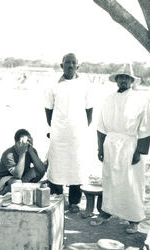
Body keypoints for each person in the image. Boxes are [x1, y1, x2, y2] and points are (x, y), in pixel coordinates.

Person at [91, 64, 150, 233]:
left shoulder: (140, 101)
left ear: (131, 81)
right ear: (116, 80)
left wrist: (139, 151)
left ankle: (134, 219)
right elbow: (101, 128)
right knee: (110, 180)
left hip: (130, 145)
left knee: (131, 183)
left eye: (127, 78)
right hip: (111, 144)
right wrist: (100, 148)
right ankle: (106, 212)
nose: (123, 80)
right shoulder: (108, 100)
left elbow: (147, 128)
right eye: (121, 77)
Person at [44, 53, 93, 213]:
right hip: (58, 134)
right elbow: (48, 110)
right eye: (67, 63)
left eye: (73, 63)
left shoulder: (85, 85)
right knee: (57, 165)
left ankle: (74, 202)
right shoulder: (53, 85)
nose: (70, 65)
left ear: (78, 66)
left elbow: (89, 110)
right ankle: (57, 198)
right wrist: (57, 127)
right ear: (61, 65)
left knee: (75, 167)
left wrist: (80, 128)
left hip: (77, 135)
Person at [0, 129, 46, 195]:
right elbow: (18, 175)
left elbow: (42, 170)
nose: (27, 144)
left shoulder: (30, 150)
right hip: (5, 180)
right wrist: (23, 153)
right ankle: (6, 192)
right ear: (17, 143)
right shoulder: (8, 154)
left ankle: (20, 190)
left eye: (28, 141)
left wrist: (31, 151)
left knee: (38, 171)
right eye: (25, 142)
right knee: (16, 183)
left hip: (21, 179)